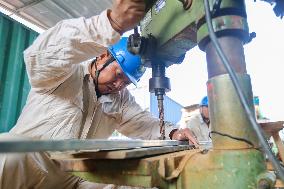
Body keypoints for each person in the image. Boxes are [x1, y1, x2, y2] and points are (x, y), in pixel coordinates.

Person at [0, 1, 197, 188]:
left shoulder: (121, 100)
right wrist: (111, 24)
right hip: (27, 165)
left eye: (126, 82)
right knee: (8, 150)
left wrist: (173, 132)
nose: (119, 84)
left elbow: (142, 122)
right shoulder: (64, 74)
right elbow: (43, 54)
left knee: (129, 182)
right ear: (103, 56)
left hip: (71, 179)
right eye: (118, 74)